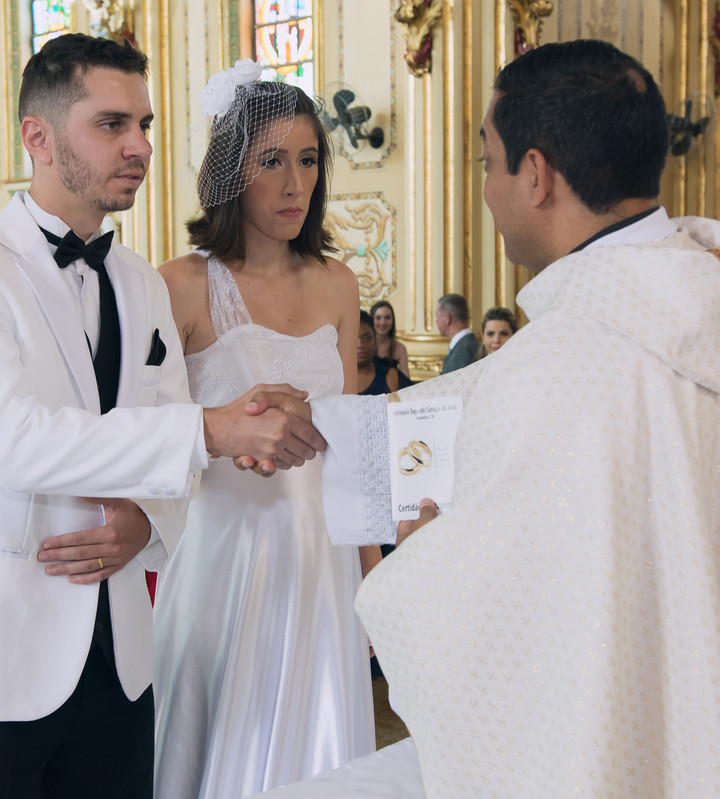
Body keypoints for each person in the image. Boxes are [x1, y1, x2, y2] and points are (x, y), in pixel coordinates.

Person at [0, 34, 324, 799]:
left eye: (146, 125)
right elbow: (16, 443)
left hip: (123, 657)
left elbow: (160, 445)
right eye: (112, 124)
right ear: (39, 137)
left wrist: (147, 521)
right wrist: (214, 428)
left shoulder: (140, 283)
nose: (140, 146)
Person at [305, 39, 720, 797]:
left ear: (536, 176)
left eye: (488, 163)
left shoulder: (544, 379)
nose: (488, 189)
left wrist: (419, 562)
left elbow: (478, 637)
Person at [153, 69, 374, 799]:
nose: (294, 182)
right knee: (219, 743)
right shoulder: (180, 285)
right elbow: (141, 432)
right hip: (228, 556)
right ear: (229, 170)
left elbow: (347, 443)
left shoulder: (340, 283)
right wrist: (221, 434)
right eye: (270, 160)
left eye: (308, 160)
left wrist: (375, 580)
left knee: (322, 746)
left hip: (324, 562)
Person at [356, 310, 411, 396]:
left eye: (367, 338)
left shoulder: (392, 377)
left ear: (375, 343)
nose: (360, 345)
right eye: (354, 339)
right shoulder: (334, 379)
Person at [368, 299, 410, 378]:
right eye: (378, 317)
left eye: (387, 317)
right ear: (371, 320)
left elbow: (406, 379)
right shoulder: (363, 346)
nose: (383, 322)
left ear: (392, 320)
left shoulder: (400, 348)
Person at [435, 293, 475, 373]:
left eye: (437, 316)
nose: (436, 321)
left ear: (447, 318)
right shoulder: (467, 344)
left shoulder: (463, 350)